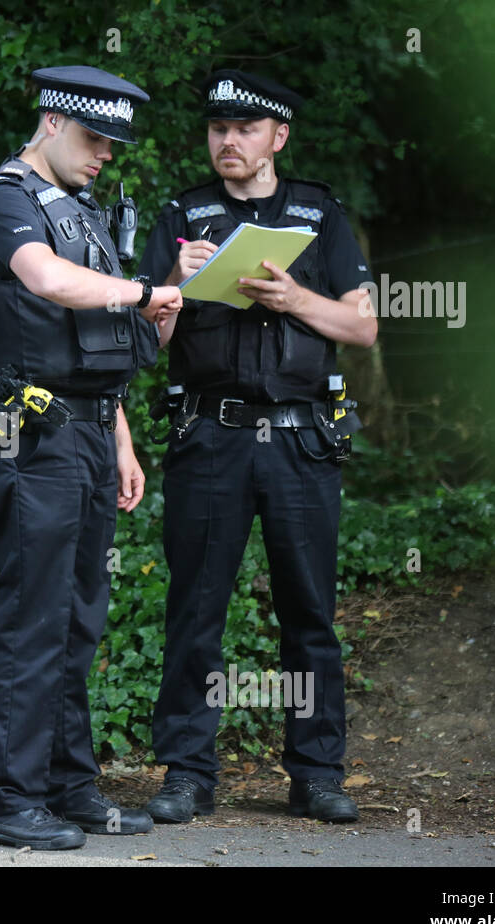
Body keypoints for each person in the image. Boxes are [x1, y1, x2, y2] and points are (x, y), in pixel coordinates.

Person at [138, 69, 377, 825]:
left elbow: (362, 327)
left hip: (303, 440)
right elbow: (145, 341)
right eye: (217, 128)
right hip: (210, 435)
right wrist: (173, 282)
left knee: (309, 613)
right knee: (195, 610)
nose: (228, 141)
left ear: (277, 136)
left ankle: (316, 774)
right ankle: (186, 773)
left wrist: (292, 298)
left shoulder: (318, 213)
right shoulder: (181, 214)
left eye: (244, 129)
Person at [0, 65, 183, 850]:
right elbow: (48, 282)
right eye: (94, 138)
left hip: (87, 430)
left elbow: (99, 344)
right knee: (32, 615)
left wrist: (121, 439)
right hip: (31, 430)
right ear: (52, 121)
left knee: (79, 615)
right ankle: (8, 800)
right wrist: (140, 289)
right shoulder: (4, 199)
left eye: (115, 144)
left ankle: (67, 786)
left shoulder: (83, 210)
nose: (105, 155)